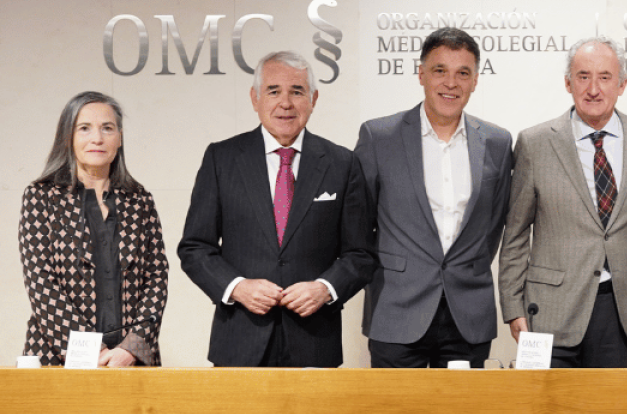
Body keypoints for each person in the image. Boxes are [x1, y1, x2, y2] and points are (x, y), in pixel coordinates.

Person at [178, 51, 374, 367]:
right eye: (273, 91)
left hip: (315, 342)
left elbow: (361, 254)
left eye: (297, 91)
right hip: (240, 341)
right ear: (255, 98)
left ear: (314, 99)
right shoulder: (222, 158)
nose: (285, 103)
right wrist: (237, 287)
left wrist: (325, 289)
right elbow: (195, 248)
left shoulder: (342, 163)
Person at [499, 37, 627, 368]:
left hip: (620, 309)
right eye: (583, 76)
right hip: (548, 309)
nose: (593, 89)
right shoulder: (535, 142)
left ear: (622, 85)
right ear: (567, 82)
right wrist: (513, 308)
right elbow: (515, 234)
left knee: (609, 402)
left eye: (605, 77)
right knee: (547, 403)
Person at [354, 28, 512, 368]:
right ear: (421, 74)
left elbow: (493, 225)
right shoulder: (379, 137)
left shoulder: (498, 142)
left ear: (475, 81)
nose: (450, 83)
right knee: (395, 406)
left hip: (468, 314)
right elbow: (359, 224)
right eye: (440, 70)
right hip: (396, 309)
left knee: (465, 406)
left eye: (463, 73)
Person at [18, 92, 168, 366]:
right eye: (84, 128)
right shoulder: (41, 197)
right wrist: (90, 351)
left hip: (129, 361)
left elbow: (156, 279)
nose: (97, 138)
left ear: (119, 138)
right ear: (68, 137)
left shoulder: (140, 200)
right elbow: (40, 282)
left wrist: (131, 348)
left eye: (107, 128)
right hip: (59, 358)